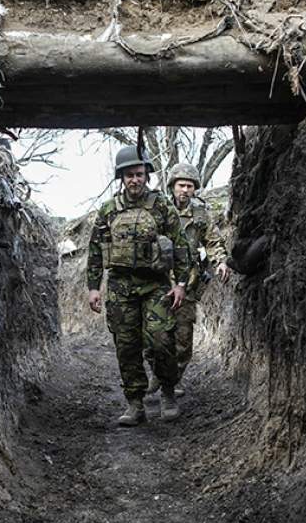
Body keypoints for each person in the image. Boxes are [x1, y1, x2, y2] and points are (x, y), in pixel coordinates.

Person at [87, 146, 192, 426]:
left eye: (140, 174)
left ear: (147, 175)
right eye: (130, 175)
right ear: (121, 177)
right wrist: (94, 287)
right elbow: (96, 250)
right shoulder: (109, 210)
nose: (135, 180)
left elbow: (181, 245)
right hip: (121, 287)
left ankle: (168, 391)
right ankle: (135, 403)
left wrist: (181, 283)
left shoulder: (161, 206)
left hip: (155, 285)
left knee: (161, 340)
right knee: (127, 346)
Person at [146, 163, 230, 397]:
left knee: (183, 339)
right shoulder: (157, 209)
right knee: (154, 337)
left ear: (195, 189)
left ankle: (173, 381)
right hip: (159, 282)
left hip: (188, 283)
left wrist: (220, 261)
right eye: (181, 185)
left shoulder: (200, 213)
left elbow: (213, 241)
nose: (185, 190)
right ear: (172, 186)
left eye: (189, 186)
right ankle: (158, 374)